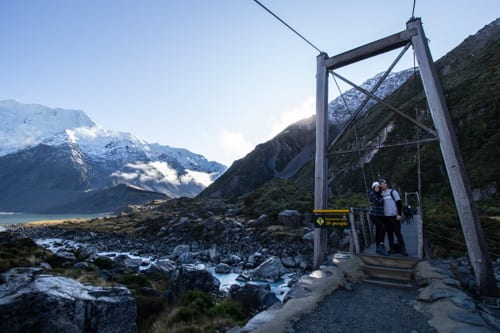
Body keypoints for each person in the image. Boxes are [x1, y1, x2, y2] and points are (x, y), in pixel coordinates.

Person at [379, 179, 408, 256]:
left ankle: (403, 250)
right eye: (381, 184)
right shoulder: (381, 194)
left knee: (398, 233)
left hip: (394, 216)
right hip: (386, 217)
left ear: (386, 184)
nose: (383, 185)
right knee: (389, 234)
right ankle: (392, 249)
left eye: (384, 183)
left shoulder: (393, 192)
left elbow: (399, 203)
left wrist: (399, 214)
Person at [366, 181, 388, 256]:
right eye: (375, 187)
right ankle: (381, 245)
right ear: (373, 188)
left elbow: (378, 202)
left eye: (378, 186)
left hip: (380, 215)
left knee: (378, 230)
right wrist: (383, 198)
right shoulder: (372, 193)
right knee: (382, 228)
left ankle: (378, 247)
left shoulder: (380, 194)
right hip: (374, 214)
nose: (377, 188)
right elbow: (378, 202)